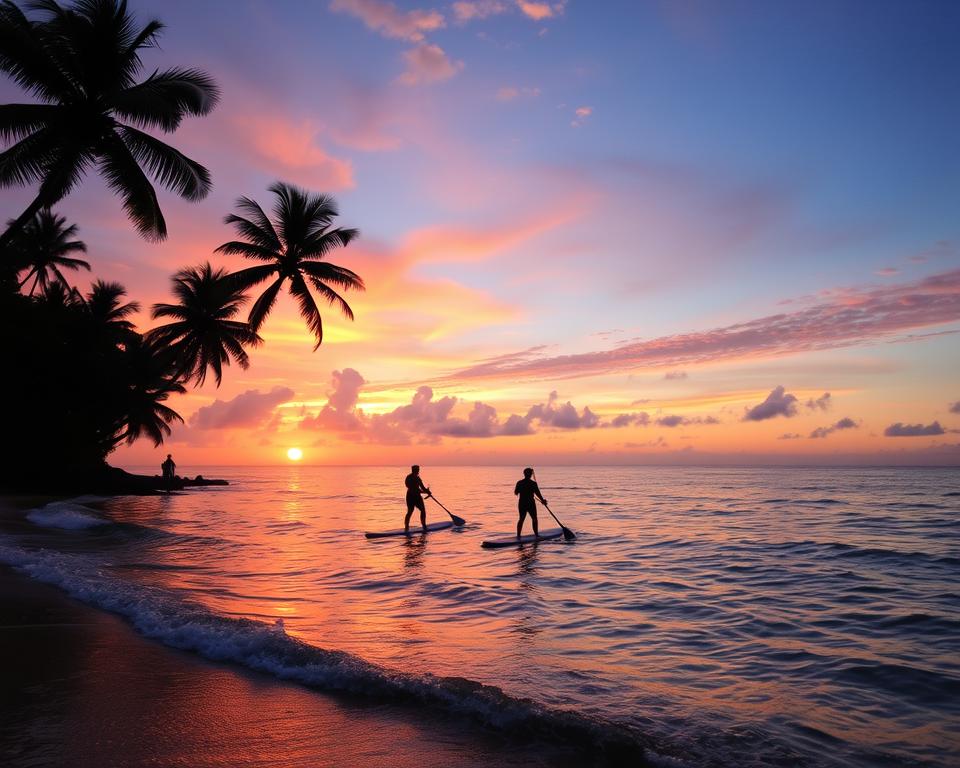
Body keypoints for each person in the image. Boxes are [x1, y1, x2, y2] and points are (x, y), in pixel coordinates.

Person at [514, 467, 547, 538]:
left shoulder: (519, 483)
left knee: (521, 518)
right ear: (530, 475)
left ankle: (518, 536)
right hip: (530, 503)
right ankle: (536, 535)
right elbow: (538, 493)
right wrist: (542, 500)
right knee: (534, 518)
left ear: (524, 474)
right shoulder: (533, 483)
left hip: (522, 503)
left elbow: (516, 492)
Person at [404, 465, 431, 533]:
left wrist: (427, 491)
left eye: (418, 469)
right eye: (417, 469)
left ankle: (409, 527)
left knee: (415, 511)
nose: (418, 471)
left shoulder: (414, 478)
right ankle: (408, 527)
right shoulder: (412, 478)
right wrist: (426, 491)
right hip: (413, 496)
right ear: (414, 470)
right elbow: (416, 489)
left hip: (412, 496)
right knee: (414, 511)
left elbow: (422, 488)